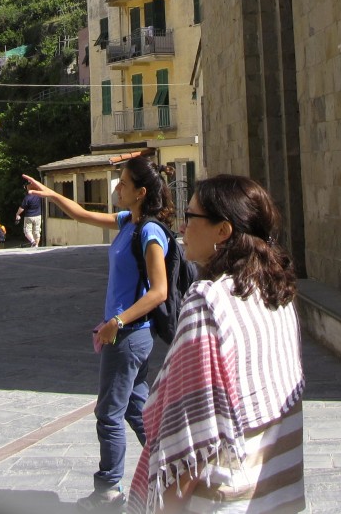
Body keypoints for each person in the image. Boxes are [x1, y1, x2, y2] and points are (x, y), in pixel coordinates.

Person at [127, 174, 305, 514]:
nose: (182, 226)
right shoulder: (278, 294)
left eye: (191, 217)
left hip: (223, 500)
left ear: (222, 231)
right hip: (279, 495)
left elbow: (191, 433)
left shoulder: (209, 302)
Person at [22, 157, 172, 510]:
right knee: (137, 409)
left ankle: (108, 491)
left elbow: (159, 291)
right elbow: (83, 216)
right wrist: (51, 195)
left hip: (128, 336)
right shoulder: (127, 222)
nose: (116, 188)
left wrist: (116, 323)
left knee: (109, 414)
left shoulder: (150, 232)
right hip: (128, 335)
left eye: (122, 183)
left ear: (141, 192)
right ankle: (171, 466)